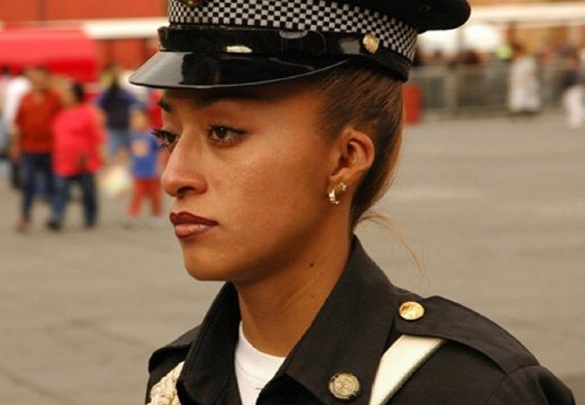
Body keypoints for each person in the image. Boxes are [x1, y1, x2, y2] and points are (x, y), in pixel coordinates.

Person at [129, 1, 575, 404]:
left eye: (223, 132)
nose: (173, 177)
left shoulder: (470, 390)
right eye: (168, 135)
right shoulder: (176, 381)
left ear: (345, 158)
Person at [49, 79, 105, 231]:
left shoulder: (86, 113)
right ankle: (56, 217)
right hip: (63, 160)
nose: (64, 96)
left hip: (83, 160)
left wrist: (101, 155)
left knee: (87, 191)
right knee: (60, 190)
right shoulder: (59, 114)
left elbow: (97, 136)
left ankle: (90, 217)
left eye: (68, 93)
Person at [11, 67, 60, 232]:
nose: (37, 82)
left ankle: (55, 215)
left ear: (47, 79)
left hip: (50, 148)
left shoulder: (55, 97)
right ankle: (25, 216)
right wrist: (15, 146)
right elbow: (18, 124)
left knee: (52, 183)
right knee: (28, 184)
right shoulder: (25, 98)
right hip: (29, 149)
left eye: (41, 78)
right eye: (34, 79)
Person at [125, 109, 164, 227]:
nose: (136, 123)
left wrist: (159, 166)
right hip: (138, 171)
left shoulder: (151, 135)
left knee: (155, 195)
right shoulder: (131, 136)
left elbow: (160, 151)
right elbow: (128, 151)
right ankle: (132, 215)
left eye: (139, 119)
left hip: (152, 171)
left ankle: (157, 214)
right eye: (134, 120)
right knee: (137, 194)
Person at [96, 67, 138, 160]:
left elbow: (135, 102)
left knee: (131, 153)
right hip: (112, 128)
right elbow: (98, 106)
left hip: (126, 126)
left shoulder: (122, 93)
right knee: (112, 152)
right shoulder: (106, 95)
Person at [507, 42, 541, 117]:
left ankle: (528, 110)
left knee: (528, 100)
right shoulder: (515, 62)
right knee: (517, 99)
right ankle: (517, 110)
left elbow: (531, 73)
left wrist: (524, 80)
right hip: (517, 84)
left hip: (526, 84)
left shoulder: (528, 60)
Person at [560, 52, 584, 129]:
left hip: (575, 88)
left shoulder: (577, 69)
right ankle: (577, 117)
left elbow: (567, 80)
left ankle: (576, 118)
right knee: (572, 103)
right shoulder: (571, 69)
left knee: (574, 104)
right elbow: (565, 80)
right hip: (571, 88)